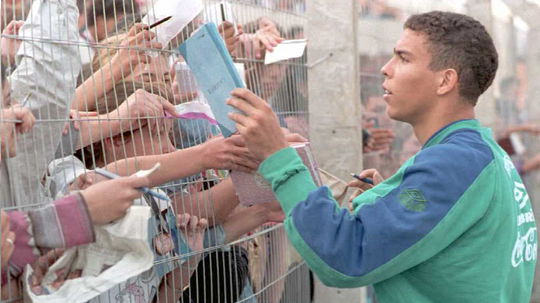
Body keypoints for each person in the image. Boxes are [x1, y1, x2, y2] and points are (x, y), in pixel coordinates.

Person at [226, 11, 536, 302]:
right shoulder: (478, 151)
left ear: (445, 81)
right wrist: (387, 203)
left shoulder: (454, 163)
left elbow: (344, 255)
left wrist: (279, 157)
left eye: (403, 58)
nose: (385, 68)